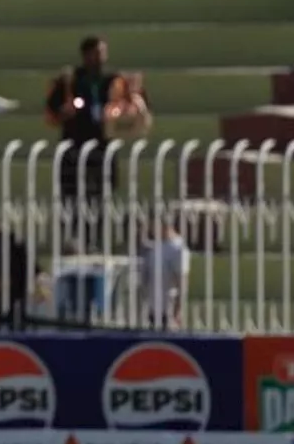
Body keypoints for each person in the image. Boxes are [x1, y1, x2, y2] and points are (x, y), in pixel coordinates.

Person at [45, 36, 149, 246]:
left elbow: (135, 104)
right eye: (96, 53)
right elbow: (51, 111)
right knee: (72, 193)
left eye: (103, 53)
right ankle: (74, 235)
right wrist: (64, 111)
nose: (101, 58)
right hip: (75, 143)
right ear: (86, 55)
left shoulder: (115, 81)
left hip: (103, 144)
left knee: (102, 192)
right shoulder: (70, 80)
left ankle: (97, 236)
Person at [139, 217, 189, 329]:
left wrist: (178, 311)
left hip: (168, 310)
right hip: (153, 308)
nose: (151, 231)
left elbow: (182, 281)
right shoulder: (156, 246)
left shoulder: (177, 249)